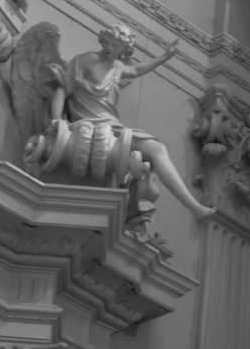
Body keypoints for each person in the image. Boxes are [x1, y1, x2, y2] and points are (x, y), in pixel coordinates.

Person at [47, 25, 215, 219]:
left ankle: (193, 206)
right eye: (109, 43)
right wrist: (57, 122)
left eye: (117, 46)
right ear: (103, 41)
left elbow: (135, 70)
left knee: (157, 149)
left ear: (123, 50)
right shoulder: (86, 60)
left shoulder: (117, 67)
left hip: (112, 126)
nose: (110, 48)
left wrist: (164, 57)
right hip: (87, 124)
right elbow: (63, 88)